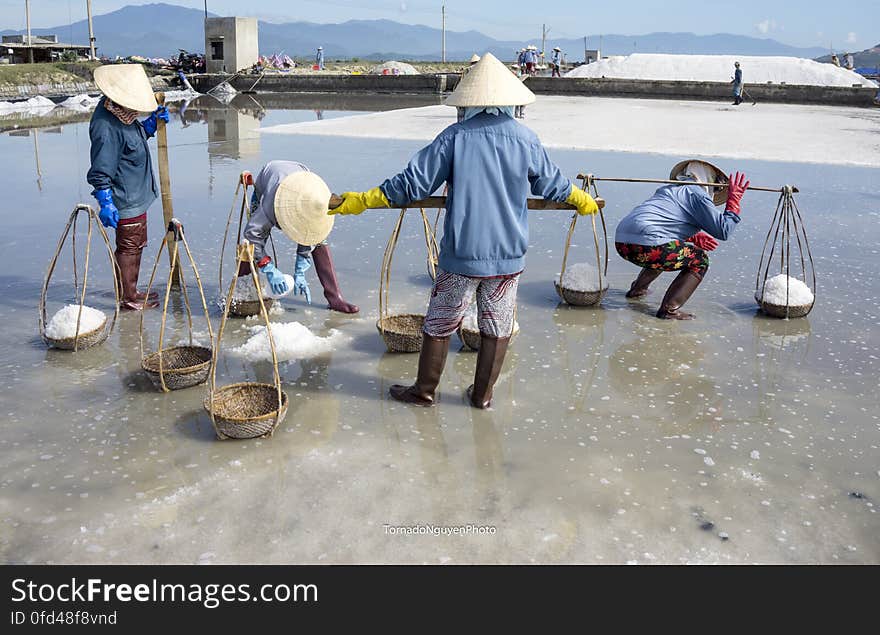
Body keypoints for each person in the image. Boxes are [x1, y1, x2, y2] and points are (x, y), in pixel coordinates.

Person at [328, 53, 600, 409]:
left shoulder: (454, 138)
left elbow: (412, 184)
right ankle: (482, 395)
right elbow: (552, 185)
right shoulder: (526, 139)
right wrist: (579, 197)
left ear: (468, 102)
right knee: (498, 325)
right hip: (507, 256)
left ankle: (424, 391)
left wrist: (363, 199)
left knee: (441, 321)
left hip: (462, 255)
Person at [614, 160, 749, 320]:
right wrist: (733, 202)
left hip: (623, 243)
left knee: (667, 248)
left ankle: (638, 289)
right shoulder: (697, 194)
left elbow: (662, 220)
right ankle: (669, 310)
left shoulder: (667, 190)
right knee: (700, 260)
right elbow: (723, 230)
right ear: (707, 178)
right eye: (717, 184)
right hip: (649, 247)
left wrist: (692, 236)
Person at [87, 64, 169, 311]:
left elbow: (131, 143)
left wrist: (149, 127)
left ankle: (132, 290)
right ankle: (128, 298)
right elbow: (101, 169)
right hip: (124, 197)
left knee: (134, 245)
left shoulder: (123, 115)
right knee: (129, 247)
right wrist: (105, 200)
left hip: (137, 194)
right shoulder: (106, 126)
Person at [241, 161, 359, 314]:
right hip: (270, 178)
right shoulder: (271, 204)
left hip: (301, 180)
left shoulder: (318, 199)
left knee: (318, 239)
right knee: (254, 240)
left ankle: (335, 297)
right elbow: (251, 234)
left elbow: (310, 232)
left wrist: (300, 270)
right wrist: (268, 267)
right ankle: (242, 290)